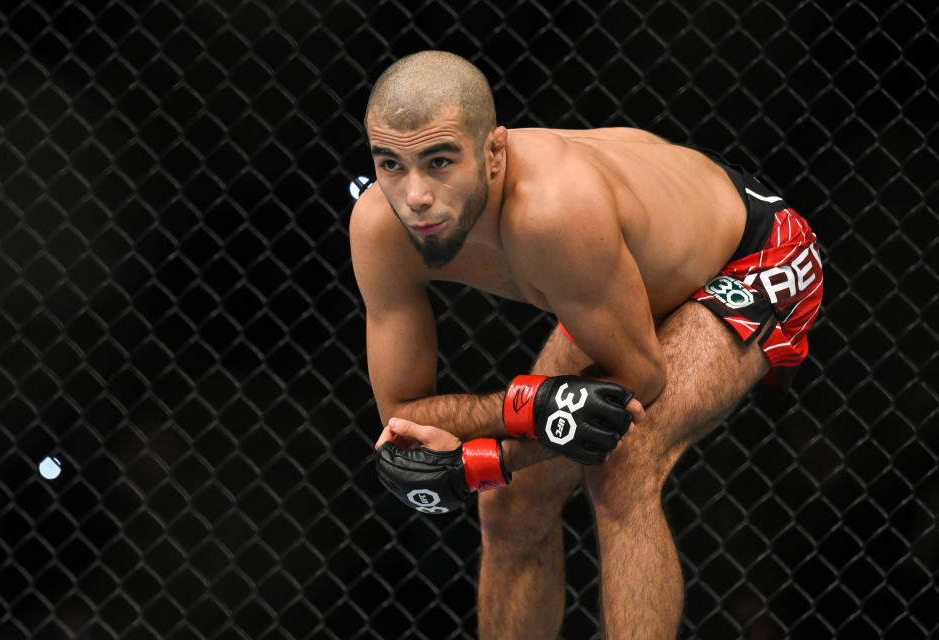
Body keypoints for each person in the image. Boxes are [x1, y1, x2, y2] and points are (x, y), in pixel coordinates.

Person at [350, 50, 822, 640]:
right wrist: (534, 414)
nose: (414, 195)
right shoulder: (379, 228)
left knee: (624, 460)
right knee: (509, 502)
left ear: (494, 153)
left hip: (753, 254)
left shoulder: (551, 212)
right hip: (622, 278)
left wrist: (488, 456)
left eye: (439, 160)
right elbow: (402, 415)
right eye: (391, 164)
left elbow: (639, 379)